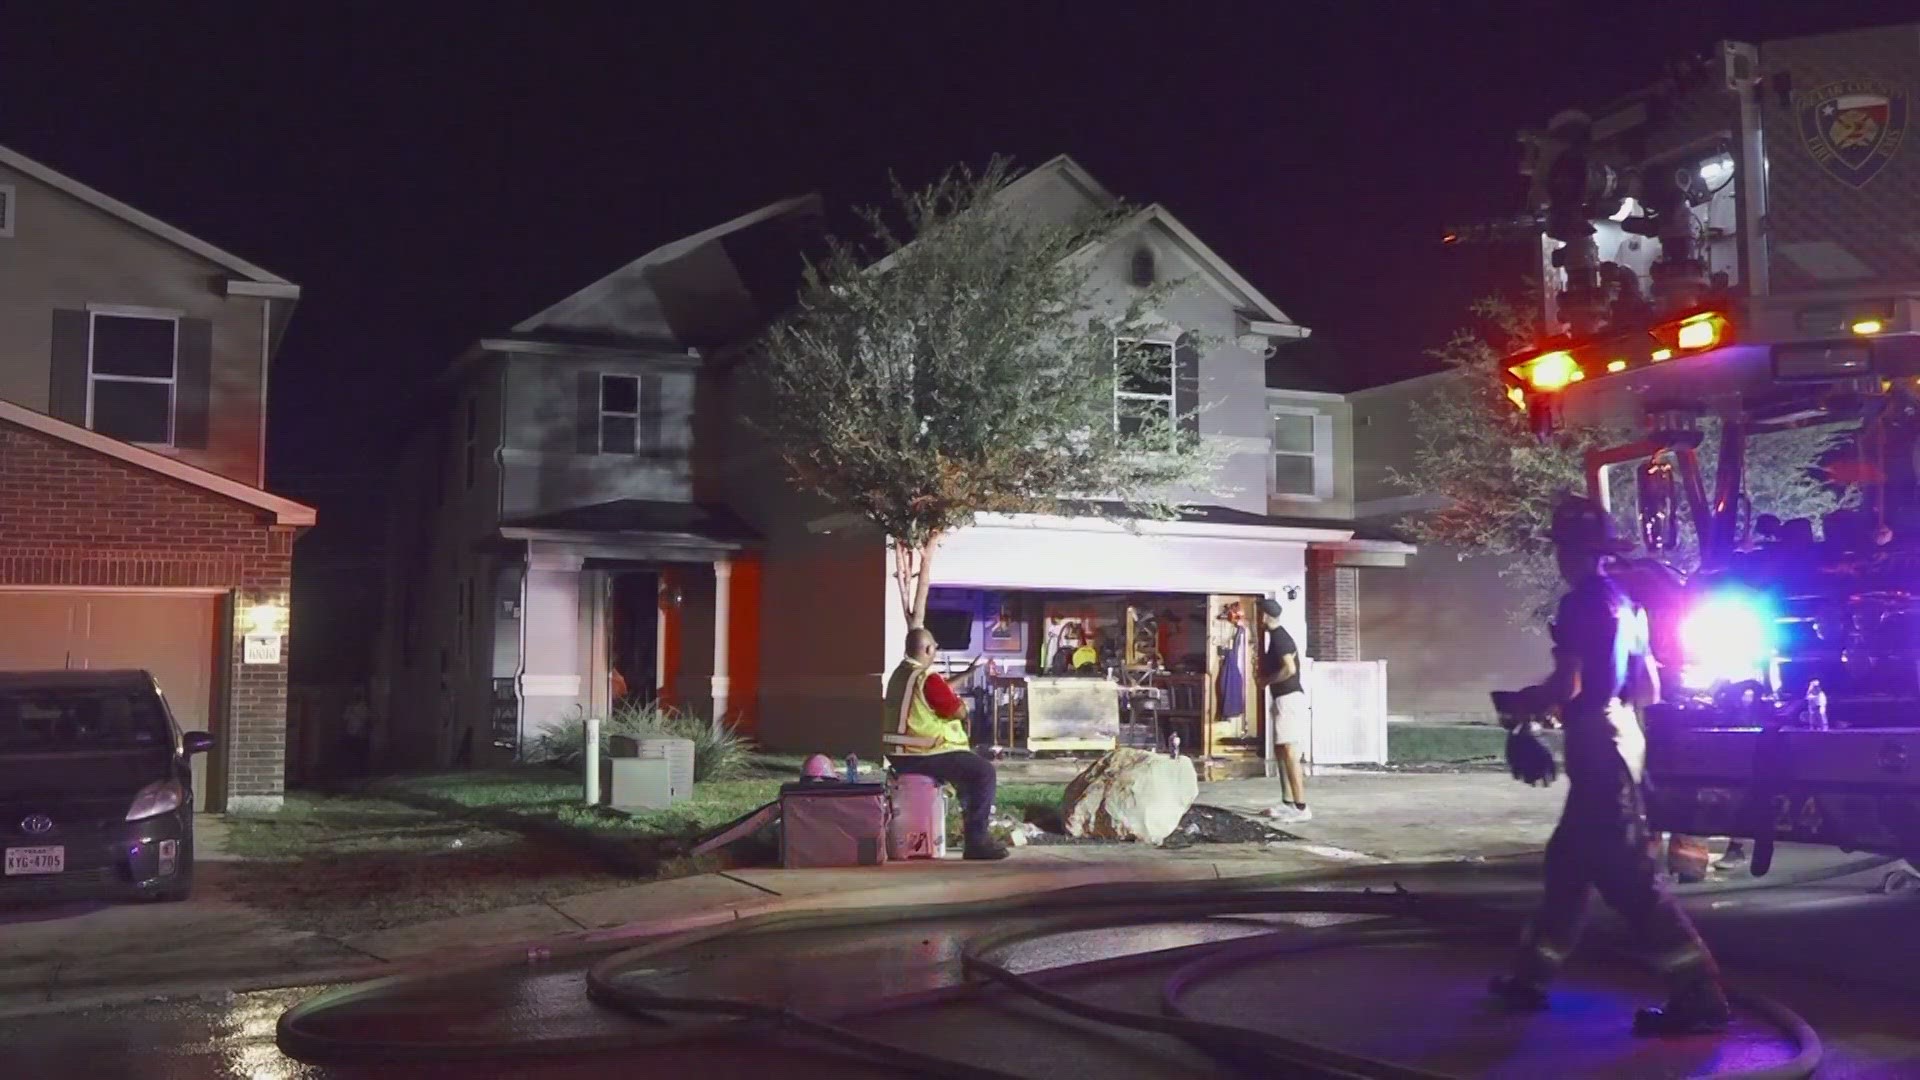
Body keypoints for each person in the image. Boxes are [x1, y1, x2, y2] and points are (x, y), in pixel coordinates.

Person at [1490, 494, 1731, 1037]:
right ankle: (1530, 979)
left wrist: (1520, 707)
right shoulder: (1629, 603)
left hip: (1596, 747)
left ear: (1574, 552)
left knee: (1629, 881)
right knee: (1567, 868)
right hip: (1624, 740)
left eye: (1563, 549)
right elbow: (1647, 688)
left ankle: (1700, 995)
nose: (1560, 559)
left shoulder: (1579, 605)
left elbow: (1568, 685)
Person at [883, 627, 1009, 861]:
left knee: (965, 775)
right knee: (983, 773)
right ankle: (976, 841)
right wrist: (961, 706)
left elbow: (938, 691)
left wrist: (965, 675)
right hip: (924, 752)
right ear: (929, 649)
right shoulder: (925, 677)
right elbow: (956, 709)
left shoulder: (901, 675)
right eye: (934, 648)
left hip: (898, 754)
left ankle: (967, 829)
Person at [1257, 598, 1311, 823]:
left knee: (1289, 751)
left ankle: (1301, 807)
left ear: (1264, 616)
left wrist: (1268, 681)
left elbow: (1290, 668)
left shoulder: (1280, 638)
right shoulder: (1275, 638)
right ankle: (1287, 802)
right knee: (1281, 751)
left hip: (1289, 698)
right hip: (1282, 699)